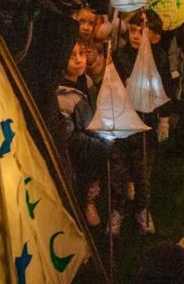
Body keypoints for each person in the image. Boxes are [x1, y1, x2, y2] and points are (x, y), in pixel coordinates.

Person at [56, 40, 108, 228]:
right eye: (72, 56)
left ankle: (93, 194)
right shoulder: (63, 96)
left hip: (92, 133)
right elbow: (67, 135)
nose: (79, 60)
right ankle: (87, 203)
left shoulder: (85, 81)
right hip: (80, 148)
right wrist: (97, 143)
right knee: (83, 176)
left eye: (82, 54)